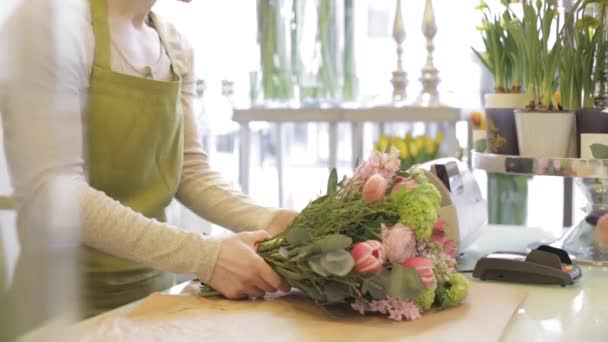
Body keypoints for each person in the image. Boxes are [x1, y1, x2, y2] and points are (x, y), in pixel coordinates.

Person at [0, 0, 297, 332]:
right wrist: (205, 256)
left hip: (155, 302)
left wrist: (272, 220)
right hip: (62, 312)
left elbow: (190, 171)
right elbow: (56, 193)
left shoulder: (174, 46)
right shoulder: (49, 24)